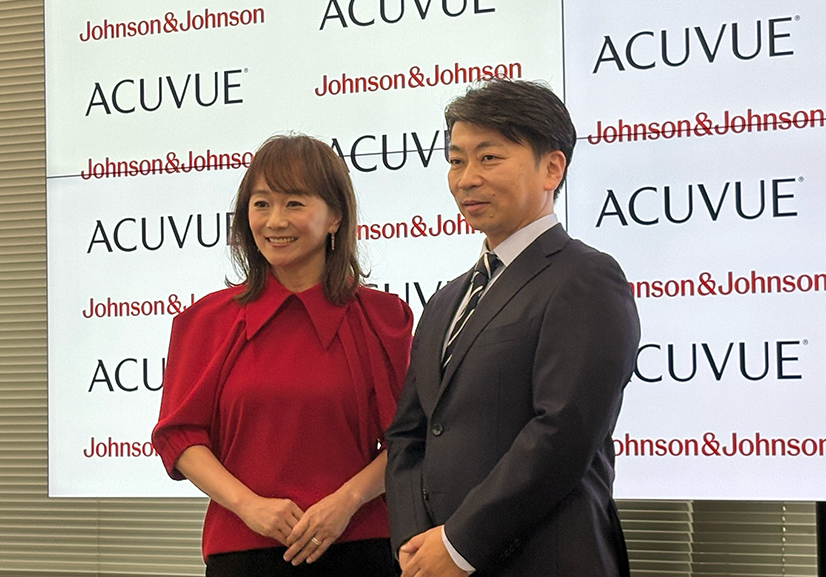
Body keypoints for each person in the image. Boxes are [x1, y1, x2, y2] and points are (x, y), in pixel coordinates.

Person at [385, 80, 641, 577]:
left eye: (489, 158)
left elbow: (562, 431)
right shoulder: (445, 299)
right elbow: (409, 434)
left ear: (552, 167)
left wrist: (459, 545)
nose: (466, 178)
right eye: (456, 160)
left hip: (549, 558)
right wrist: (418, 544)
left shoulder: (585, 278)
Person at [152, 134, 413, 576]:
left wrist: (346, 502)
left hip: (359, 544)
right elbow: (180, 437)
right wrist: (249, 507)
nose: (275, 221)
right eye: (261, 204)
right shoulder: (205, 321)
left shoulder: (384, 318)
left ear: (335, 217)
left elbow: (409, 439)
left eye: (294, 203)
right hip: (243, 549)